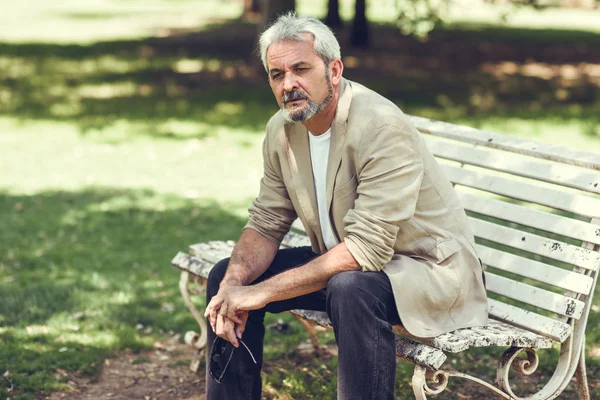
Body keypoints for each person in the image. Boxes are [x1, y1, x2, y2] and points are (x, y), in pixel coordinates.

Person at [203, 12, 488, 399]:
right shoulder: (281, 130)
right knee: (228, 274)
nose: (289, 84)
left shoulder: (380, 126)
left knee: (351, 288)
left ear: (334, 70)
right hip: (350, 267)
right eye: (277, 74)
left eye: (301, 68)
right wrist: (235, 285)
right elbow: (267, 222)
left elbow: (366, 249)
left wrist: (263, 292)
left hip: (428, 274)